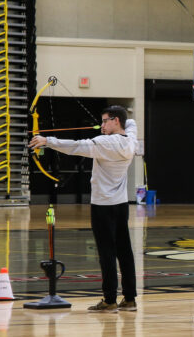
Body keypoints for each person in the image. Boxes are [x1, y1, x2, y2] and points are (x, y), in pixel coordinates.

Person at [28, 105, 139, 313]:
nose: (102, 125)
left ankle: (110, 299)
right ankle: (130, 299)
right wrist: (124, 119)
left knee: (106, 252)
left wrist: (47, 141)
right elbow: (132, 123)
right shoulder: (130, 138)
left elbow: (76, 146)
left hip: (103, 206)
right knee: (124, 251)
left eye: (106, 121)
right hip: (121, 205)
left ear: (116, 121)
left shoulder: (107, 143)